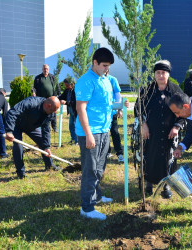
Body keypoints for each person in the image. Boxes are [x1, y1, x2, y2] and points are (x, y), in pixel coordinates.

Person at [75, 48, 129, 221]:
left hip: (104, 130)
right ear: (95, 62)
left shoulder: (105, 80)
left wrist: (120, 106)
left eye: (109, 66)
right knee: (90, 169)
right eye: (104, 65)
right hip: (90, 132)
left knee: (100, 167)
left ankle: (96, 196)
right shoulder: (85, 81)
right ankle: (87, 207)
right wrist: (89, 134)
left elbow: (107, 105)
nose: (107, 69)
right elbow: (80, 109)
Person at [134, 60, 186, 198]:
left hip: (170, 133)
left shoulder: (175, 91)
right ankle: (149, 183)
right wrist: (143, 124)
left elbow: (185, 110)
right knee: (150, 156)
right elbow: (137, 108)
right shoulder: (147, 90)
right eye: (158, 73)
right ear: (155, 75)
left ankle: (166, 185)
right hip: (150, 132)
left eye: (163, 73)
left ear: (168, 74)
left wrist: (176, 126)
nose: (161, 75)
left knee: (168, 159)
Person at [4, 96, 61, 179]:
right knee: (18, 147)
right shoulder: (31, 103)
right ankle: (21, 173)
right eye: (54, 109)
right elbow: (12, 113)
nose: (55, 112)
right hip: (17, 125)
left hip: (31, 127)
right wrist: (9, 131)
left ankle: (50, 165)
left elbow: (46, 130)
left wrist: (47, 146)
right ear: (48, 105)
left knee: (42, 142)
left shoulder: (50, 113)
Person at [32, 64, 61, 132]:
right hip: (42, 99)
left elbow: (57, 87)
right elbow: (34, 87)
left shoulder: (52, 77)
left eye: (47, 69)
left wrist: (58, 95)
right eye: (44, 68)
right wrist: (33, 92)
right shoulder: (38, 78)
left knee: (53, 113)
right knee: (42, 113)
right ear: (42, 69)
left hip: (52, 99)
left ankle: (54, 127)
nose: (46, 70)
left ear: (49, 69)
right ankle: (41, 126)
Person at [105, 69, 124, 163]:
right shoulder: (97, 80)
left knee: (115, 132)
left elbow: (118, 96)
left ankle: (120, 153)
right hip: (101, 113)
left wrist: (120, 109)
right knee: (104, 134)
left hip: (112, 112)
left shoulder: (112, 80)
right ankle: (107, 152)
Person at [59, 78, 77, 145]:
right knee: (71, 126)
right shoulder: (67, 90)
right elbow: (61, 97)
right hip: (71, 111)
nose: (66, 87)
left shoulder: (76, 90)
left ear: (72, 84)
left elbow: (76, 102)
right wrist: (55, 98)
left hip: (76, 111)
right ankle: (73, 139)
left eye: (67, 85)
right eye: (65, 85)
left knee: (76, 126)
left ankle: (77, 141)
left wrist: (66, 102)